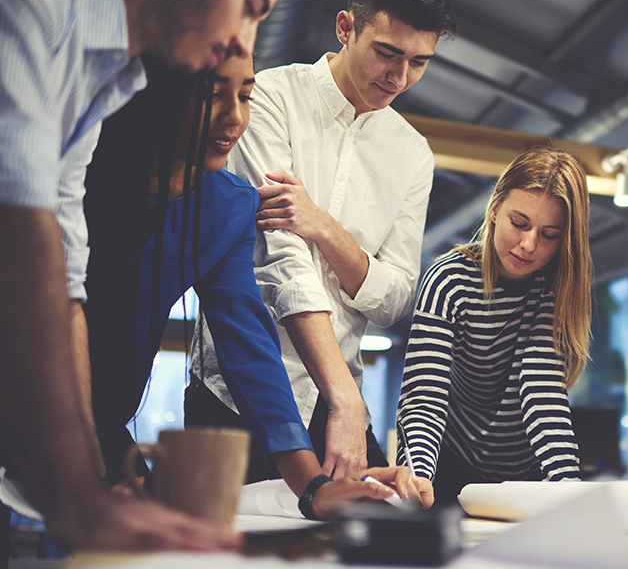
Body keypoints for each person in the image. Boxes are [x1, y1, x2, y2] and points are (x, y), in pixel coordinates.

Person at [0, 0, 293, 551]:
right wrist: (79, 496)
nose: (244, 40)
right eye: (251, 5)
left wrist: (93, 479)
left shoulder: (112, 77)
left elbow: (65, 279)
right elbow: (20, 220)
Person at [84, 53, 432, 518]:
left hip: (101, 416)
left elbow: (248, 346)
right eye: (212, 95)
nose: (235, 119)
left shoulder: (226, 207)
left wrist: (312, 488)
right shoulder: (75, 179)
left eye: (245, 95)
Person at [187, 0, 456, 482]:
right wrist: (346, 399)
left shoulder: (413, 154)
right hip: (236, 394)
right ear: (345, 27)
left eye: (420, 62)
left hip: (334, 405)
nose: (400, 78)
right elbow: (278, 258)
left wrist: (325, 228)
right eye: (387, 53)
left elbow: (397, 299)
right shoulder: (266, 97)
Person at [396, 146, 592, 506]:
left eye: (549, 234)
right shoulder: (449, 280)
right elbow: (425, 397)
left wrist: (568, 487)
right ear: (494, 210)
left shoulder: (551, 289)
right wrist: (418, 474)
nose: (528, 245)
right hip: (449, 466)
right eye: (519, 223)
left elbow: (543, 394)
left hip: (526, 474)